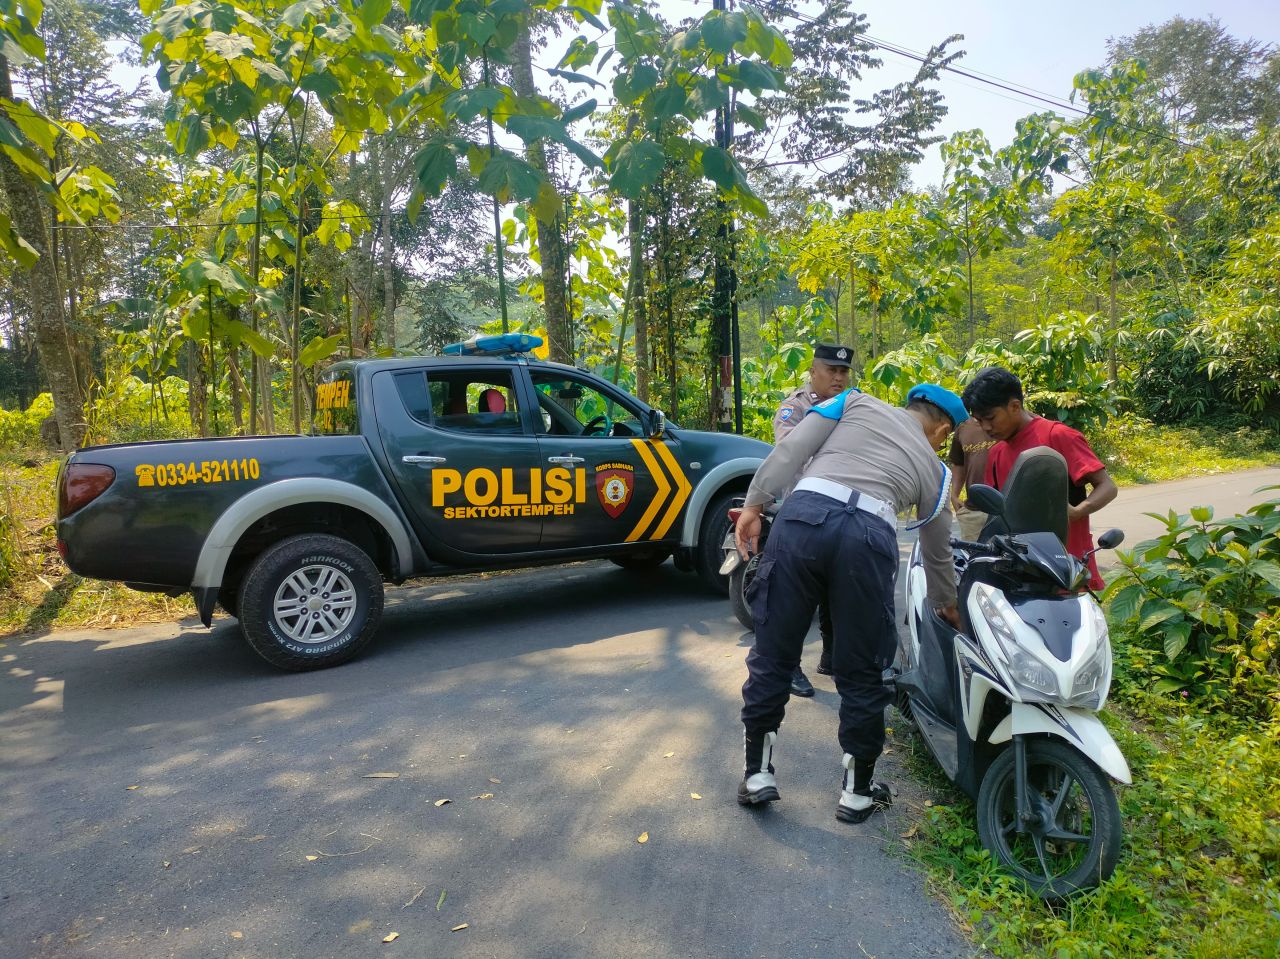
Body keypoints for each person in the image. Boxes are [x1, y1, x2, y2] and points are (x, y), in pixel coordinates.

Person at [734, 383, 966, 824]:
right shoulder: (936, 470)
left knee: (774, 653)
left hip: (802, 519)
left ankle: (758, 774)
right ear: (941, 428)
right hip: (869, 539)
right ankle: (857, 793)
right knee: (861, 670)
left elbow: (790, 451)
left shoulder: (853, 401)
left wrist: (754, 505)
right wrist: (947, 603)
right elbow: (937, 546)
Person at [961, 367, 1117, 589]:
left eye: (990, 418)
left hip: (1067, 569)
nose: (986, 427)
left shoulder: (1058, 436)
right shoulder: (996, 453)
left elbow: (1107, 486)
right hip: (1019, 573)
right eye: (979, 421)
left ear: (1015, 406)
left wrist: (1077, 511)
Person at [771, 343, 854, 696]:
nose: (838, 377)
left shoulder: (854, 405)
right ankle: (788, 668)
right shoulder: (795, 409)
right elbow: (791, 453)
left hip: (844, 509)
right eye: (831, 370)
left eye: (843, 372)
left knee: (839, 588)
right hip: (803, 512)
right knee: (797, 598)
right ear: (813, 371)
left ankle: (832, 658)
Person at [948, 415, 995, 541]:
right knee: (974, 557)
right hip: (974, 510)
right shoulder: (963, 427)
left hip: (1007, 509)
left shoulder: (1008, 421)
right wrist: (954, 495)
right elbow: (959, 463)